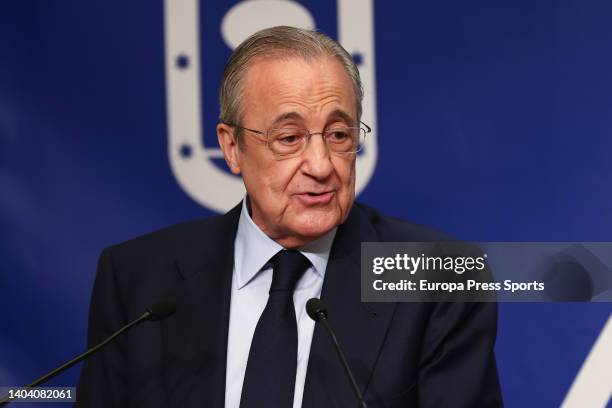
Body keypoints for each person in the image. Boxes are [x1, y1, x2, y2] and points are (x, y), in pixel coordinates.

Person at [76, 26, 502, 407]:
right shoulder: (137, 279)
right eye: (289, 137)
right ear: (231, 147)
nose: (320, 164)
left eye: (338, 135)